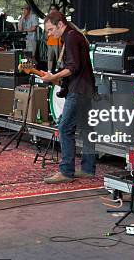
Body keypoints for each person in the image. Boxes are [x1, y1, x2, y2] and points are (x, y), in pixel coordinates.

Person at [40, 11, 96, 183]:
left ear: (60, 24)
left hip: (78, 89)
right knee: (87, 130)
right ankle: (87, 168)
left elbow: (73, 67)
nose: (50, 34)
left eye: (50, 30)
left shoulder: (70, 37)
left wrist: (53, 77)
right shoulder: (74, 36)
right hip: (86, 88)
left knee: (65, 128)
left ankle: (66, 171)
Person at [46, 4, 62, 72]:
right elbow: (46, 30)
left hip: (57, 41)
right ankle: (49, 71)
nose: (52, 10)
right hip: (50, 41)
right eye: (51, 9)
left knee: (59, 58)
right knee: (50, 58)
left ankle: (60, 72)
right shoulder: (48, 19)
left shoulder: (59, 18)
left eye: (54, 9)